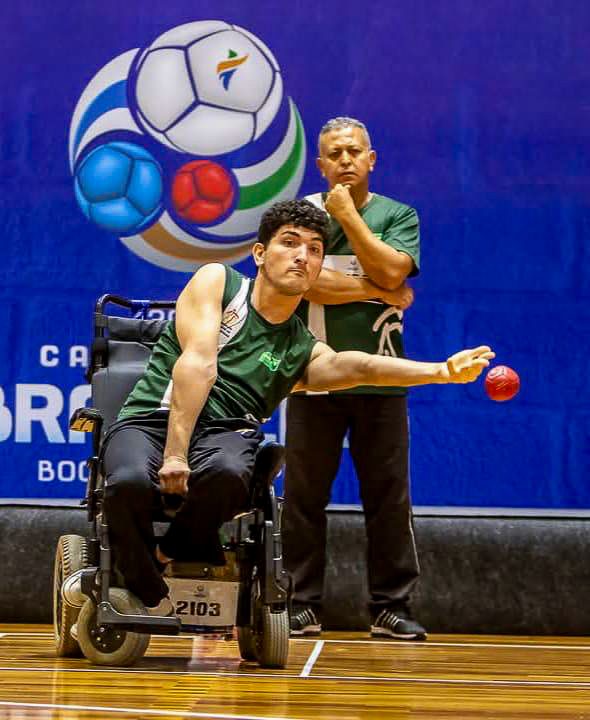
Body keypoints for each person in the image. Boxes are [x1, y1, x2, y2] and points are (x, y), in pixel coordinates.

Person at [78, 199, 493, 615]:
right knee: (127, 482)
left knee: (230, 474)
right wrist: (174, 454)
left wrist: (439, 370)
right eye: (290, 243)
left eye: (315, 249)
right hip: (154, 418)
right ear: (260, 253)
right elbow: (199, 363)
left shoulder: (300, 346)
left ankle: (162, 559)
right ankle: (149, 593)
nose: (303, 256)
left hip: (225, 434)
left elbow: (359, 364)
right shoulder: (219, 283)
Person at [283, 117, 426, 640]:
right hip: (313, 377)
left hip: (382, 382)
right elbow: (302, 282)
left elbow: (396, 271)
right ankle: (300, 603)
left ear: (372, 159)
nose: (344, 161)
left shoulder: (398, 214)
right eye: (334, 154)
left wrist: (348, 217)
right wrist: (375, 286)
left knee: (389, 499)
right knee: (302, 498)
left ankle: (392, 606)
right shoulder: (302, 217)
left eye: (354, 152)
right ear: (320, 165)